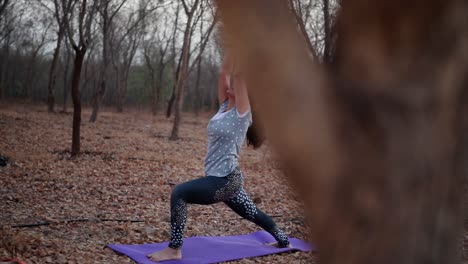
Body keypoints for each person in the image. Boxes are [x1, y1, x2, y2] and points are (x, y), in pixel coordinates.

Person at [147, 53, 290, 262]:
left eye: (235, 84)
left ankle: (174, 248)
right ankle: (283, 239)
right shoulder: (224, 106)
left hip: (224, 180)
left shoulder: (243, 114)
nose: (230, 83)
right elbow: (224, 72)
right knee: (251, 212)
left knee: (179, 193)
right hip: (227, 178)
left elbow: (239, 76)